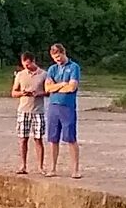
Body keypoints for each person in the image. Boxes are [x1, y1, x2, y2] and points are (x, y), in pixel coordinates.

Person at [41, 43, 82, 178]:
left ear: (64, 53)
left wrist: (56, 87)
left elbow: (72, 87)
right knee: (53, 139)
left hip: (67, 107)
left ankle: (75, 169)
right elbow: (47, 88)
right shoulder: (52, 69)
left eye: (59, 56)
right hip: (53, 106)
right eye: (55, 57)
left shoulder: (74, 67)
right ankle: (52, 168)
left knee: (70, 138)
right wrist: (62, 85)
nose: (57, 59)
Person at [8, 50, 48, 174]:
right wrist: (22, 93)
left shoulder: (43, 74)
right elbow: (13, 92)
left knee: (38, 139)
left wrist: (38, 93)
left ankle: (40, 167)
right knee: (23, 139)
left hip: (38, 111)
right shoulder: (20, 75)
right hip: (23, 110)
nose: (27, 67)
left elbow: (48, 92)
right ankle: (23, 165)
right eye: (24, 65)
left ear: (33, 61)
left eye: (29, 64)